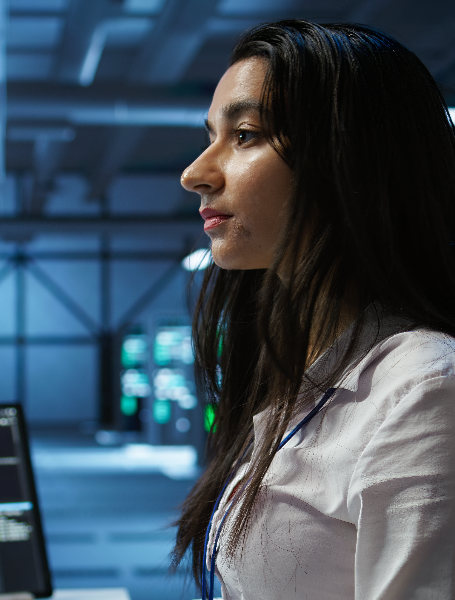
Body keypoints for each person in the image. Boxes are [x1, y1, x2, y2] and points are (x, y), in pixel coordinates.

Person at [173, 20, 455, 599]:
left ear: (347, 158)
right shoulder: (301, 373)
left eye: (245, 135)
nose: (196, 173)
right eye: (211, 135)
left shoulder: (425, 390)